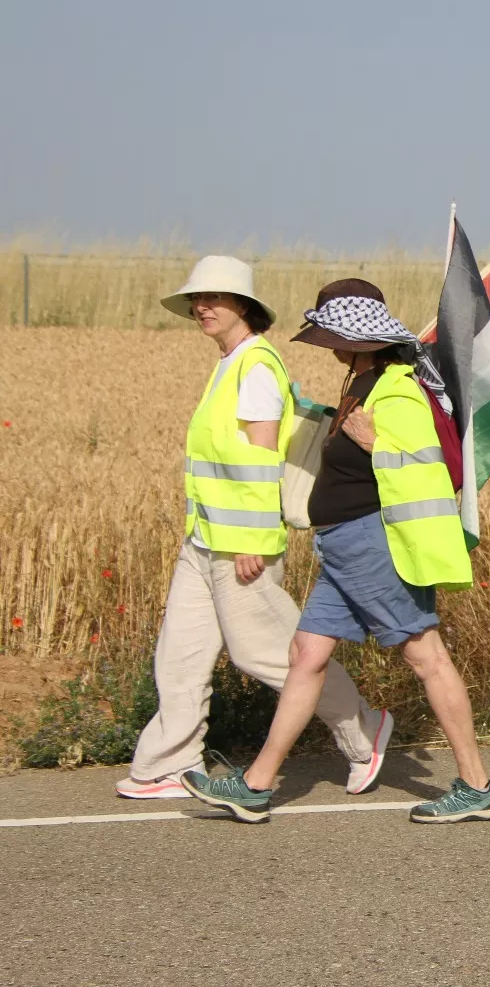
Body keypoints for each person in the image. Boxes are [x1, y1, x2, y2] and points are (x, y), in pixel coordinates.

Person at [182, 279, 490, 822]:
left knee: (426, 657)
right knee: (306, 656)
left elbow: (431, 470)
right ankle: (257, 785)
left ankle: (478, 786)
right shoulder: (362, 382)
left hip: (372, 544)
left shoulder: (396, 389)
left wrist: (374, 443)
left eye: (332, 333)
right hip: (342, 547)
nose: (326, 343)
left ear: (358, 338)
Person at [117, 258, 389, 801]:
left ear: (243, 306)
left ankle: (363, 732)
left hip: (241, 542)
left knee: (266, 653)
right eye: (197, 299)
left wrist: (253, 539)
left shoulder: (256, 367)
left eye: (215, 297)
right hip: (204, 539)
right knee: (180, 655)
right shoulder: (230, 364)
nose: (202, 307)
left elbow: (264, 461)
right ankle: (167, 764)